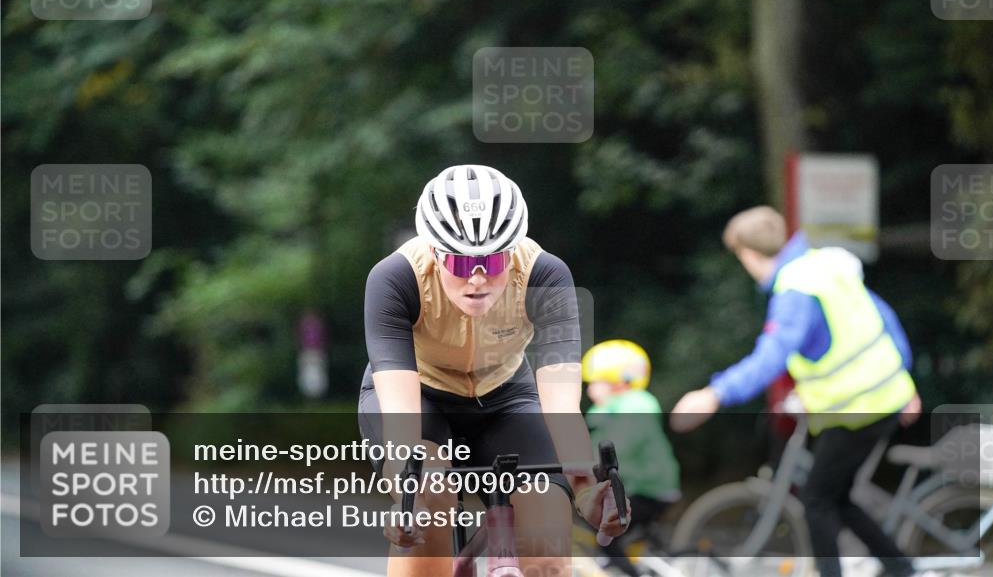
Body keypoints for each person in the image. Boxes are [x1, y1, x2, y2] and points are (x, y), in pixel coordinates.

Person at [358, 164, 628, 577]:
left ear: (513, 251)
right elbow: (401, 416)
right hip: (422, 397)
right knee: (430, 500)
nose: (478, 278)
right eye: (461, 263)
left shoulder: (545, 274)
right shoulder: (396, 279)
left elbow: (561, 406)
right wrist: (406, 500)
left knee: (548, 534)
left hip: (505, 396)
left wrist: (585, 489)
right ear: (434, 251)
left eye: (494, 260)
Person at [670, 206, 923, 577]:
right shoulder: (823, 265)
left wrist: (715, 394)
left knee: (817, 500)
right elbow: (882, 315)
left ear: (748, 254)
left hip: (860, 406)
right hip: (880, 397)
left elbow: (772, 354)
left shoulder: (794, 290)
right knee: (835, 497)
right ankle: (905, 569)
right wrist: (904, 380)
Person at [582, 339, 681, 577]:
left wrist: (584, 468)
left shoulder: (636, 406)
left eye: (596, 382)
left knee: (606, 533)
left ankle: (631, 573)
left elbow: (620, 447)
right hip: (634, 486)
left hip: (648, 490)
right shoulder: (609, 411)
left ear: (619, 381)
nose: (589, 389)